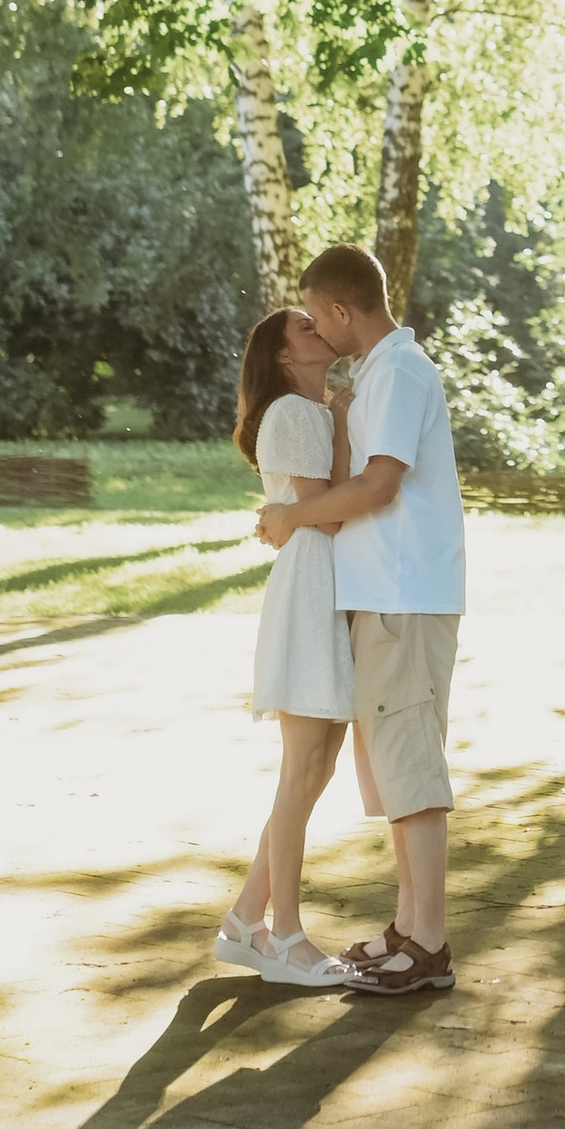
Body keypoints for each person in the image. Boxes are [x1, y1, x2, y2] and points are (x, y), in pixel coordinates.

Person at [257, 241, 466, 997]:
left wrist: (291, 516)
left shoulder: (401, 372)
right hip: (382, 595)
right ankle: (408, 930)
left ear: (343, 310)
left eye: (318, 316)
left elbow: (380, 487)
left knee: (412, 770)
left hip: (405, 595)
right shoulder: (375, 375)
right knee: (393, 774)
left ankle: (428, 946)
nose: (316, 328)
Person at [214, 308, 358, 992]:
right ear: (282, 357)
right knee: (304, 768)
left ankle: (247, 918)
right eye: (304, 329)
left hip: (326, 583)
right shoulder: (295, 414)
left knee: (315, 767)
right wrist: (342, 426)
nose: (318, 330)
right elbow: (327, 515)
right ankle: (287, 936)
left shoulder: (313, 410)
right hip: (311, 589)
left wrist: (340, 415)